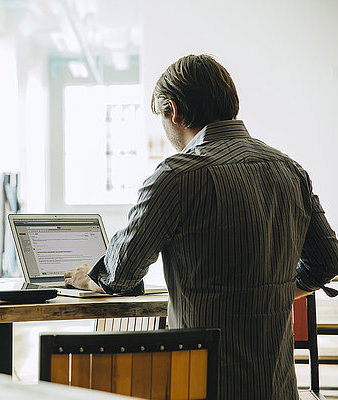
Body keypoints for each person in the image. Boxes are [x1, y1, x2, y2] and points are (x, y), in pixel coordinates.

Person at [64, 54, 338, 399]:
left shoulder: (178, 175)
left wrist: (91, 275)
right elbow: (327, 262)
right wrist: (273, 290)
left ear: (174, 111)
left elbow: (122, 274)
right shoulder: (290, 170)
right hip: (278, 387)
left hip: (205, 383)